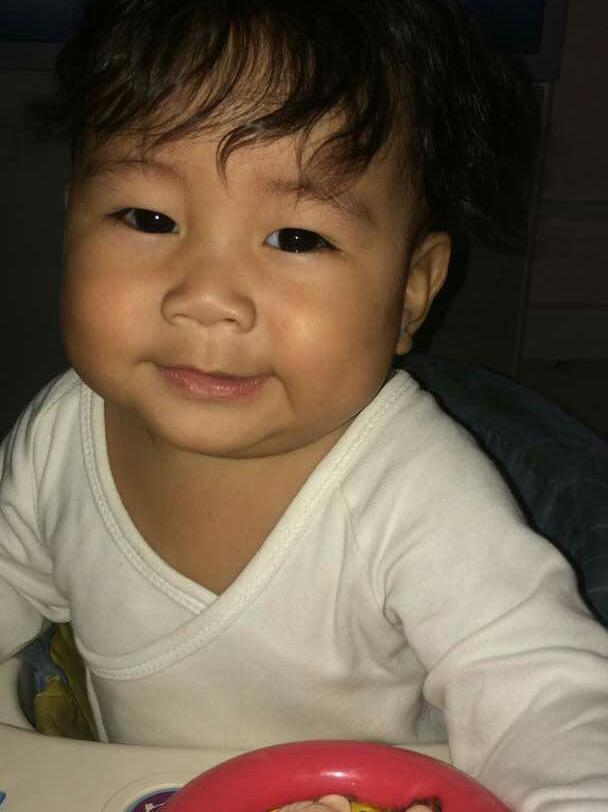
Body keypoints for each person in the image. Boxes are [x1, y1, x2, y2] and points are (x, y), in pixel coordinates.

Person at [1, 1, 607, 811]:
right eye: (149, 218)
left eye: (296, 238)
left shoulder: (415, 496)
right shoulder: (59, 436)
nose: (207, 298)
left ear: (410, 294)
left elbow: (549, 701)